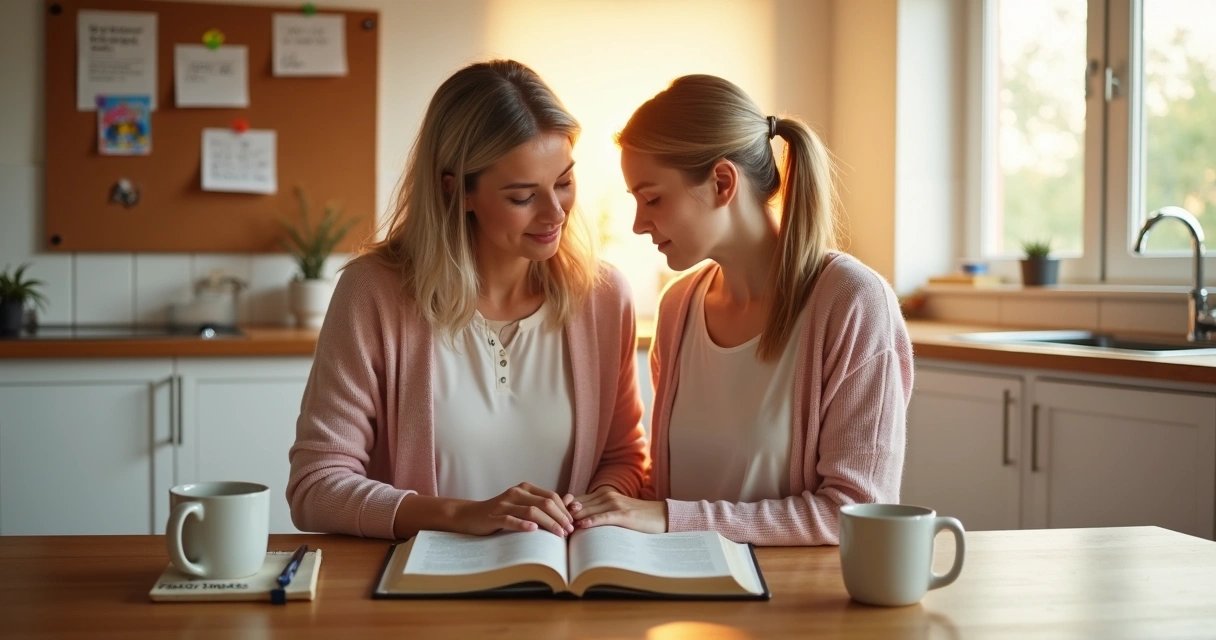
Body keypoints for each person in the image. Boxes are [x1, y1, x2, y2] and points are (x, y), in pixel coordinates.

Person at [287, 60, 648, 541]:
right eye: (523, 196)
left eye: (563, 182)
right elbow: (316, 488)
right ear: (457, 190)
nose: (555, 212)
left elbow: (623, 459)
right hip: (420, 595)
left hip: (561, 591)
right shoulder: (373, 293)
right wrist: (459, 515)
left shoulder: (603, 298)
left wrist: (581, 515)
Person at [571, 75, 912, 545]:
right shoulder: (679, 308)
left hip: (791, 602)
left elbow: (852, 511)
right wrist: (604, 504)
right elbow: (670, 491)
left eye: (653, 198)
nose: (638, 223)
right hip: (680, 590)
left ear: (722, 182)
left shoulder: (851, 303)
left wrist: (671, 518)